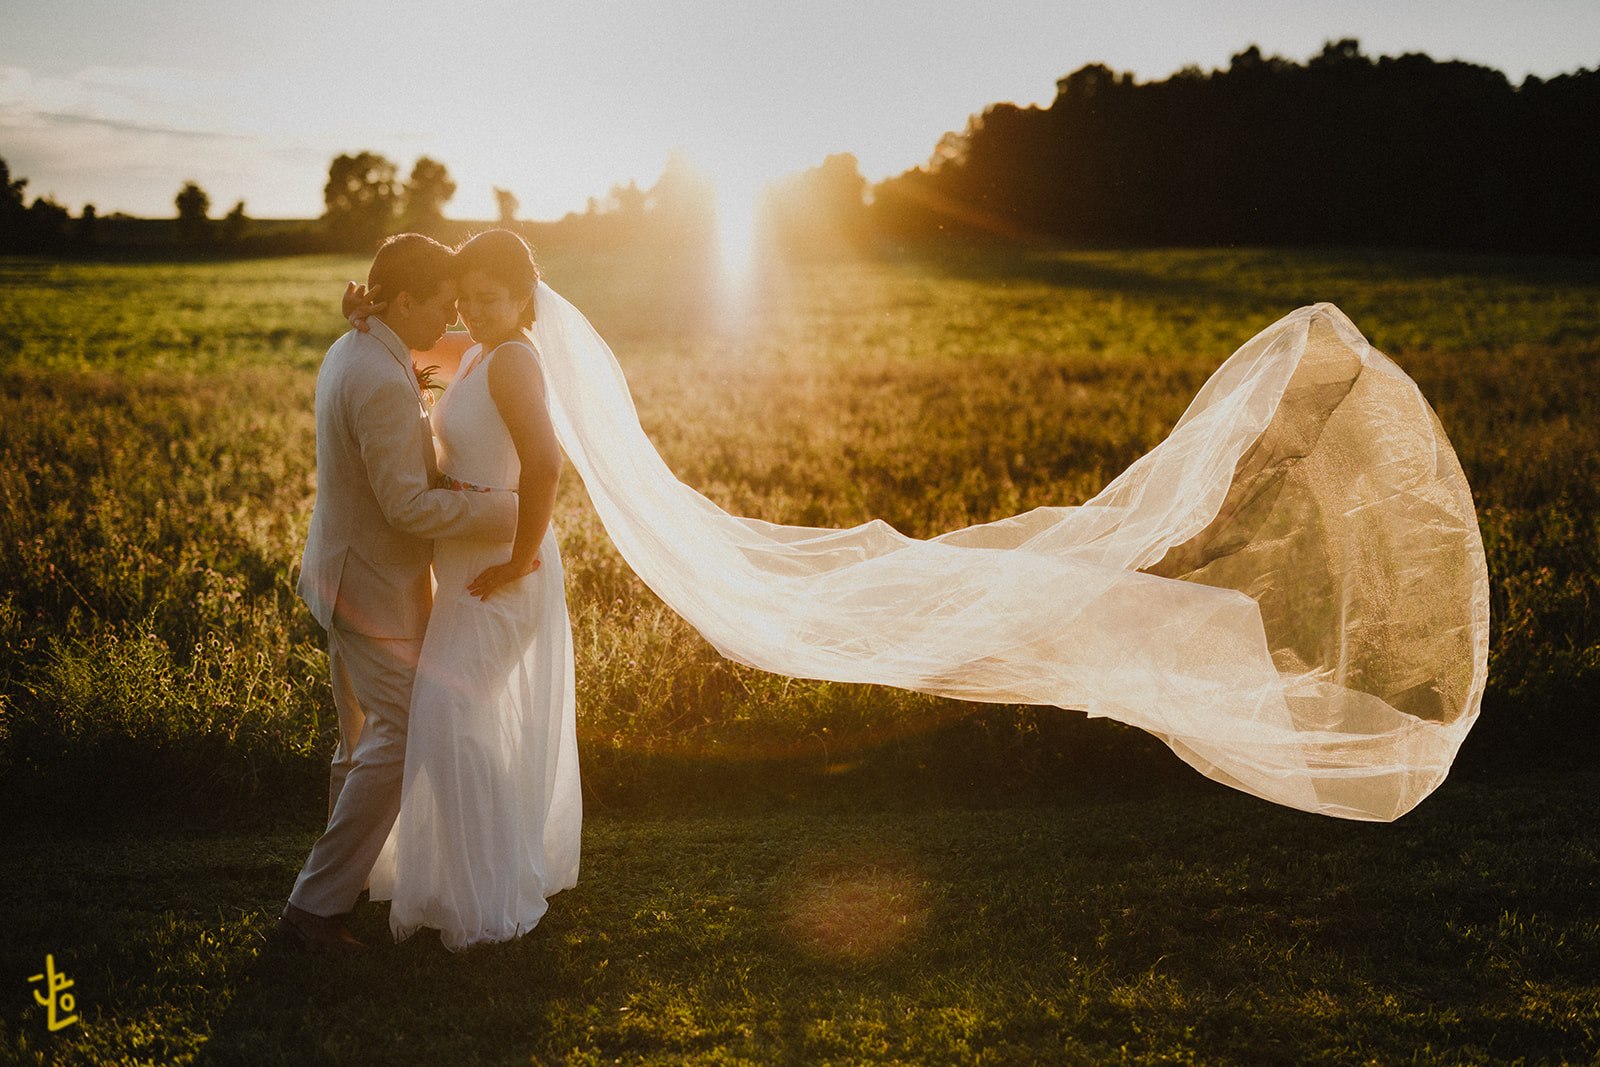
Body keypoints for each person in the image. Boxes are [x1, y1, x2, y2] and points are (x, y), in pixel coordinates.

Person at [277, 234, 519, 954]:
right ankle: (313, 908)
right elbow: (406, 507)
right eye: (442, 305)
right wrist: (504, 513)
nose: (451, 319)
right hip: (373, 589)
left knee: (359, 742)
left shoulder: (353, 346)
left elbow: (448, 346)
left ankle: (342, 888)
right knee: (404, 732)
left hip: (342, 575)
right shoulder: (380, 377)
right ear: (404, 301)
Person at [358, 229, 581, 950]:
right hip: (464, 567)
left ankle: (490, 895)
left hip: (503, 571)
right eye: (464, 299)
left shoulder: (513, 359)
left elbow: (545, 465)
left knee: (453, 714)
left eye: (488, 298)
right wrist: (364, 313)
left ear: (523, 297)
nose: (472, 311)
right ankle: (464, 880)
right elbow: (404, 351)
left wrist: (519, 560)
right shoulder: (479, 350)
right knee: (457, 718)